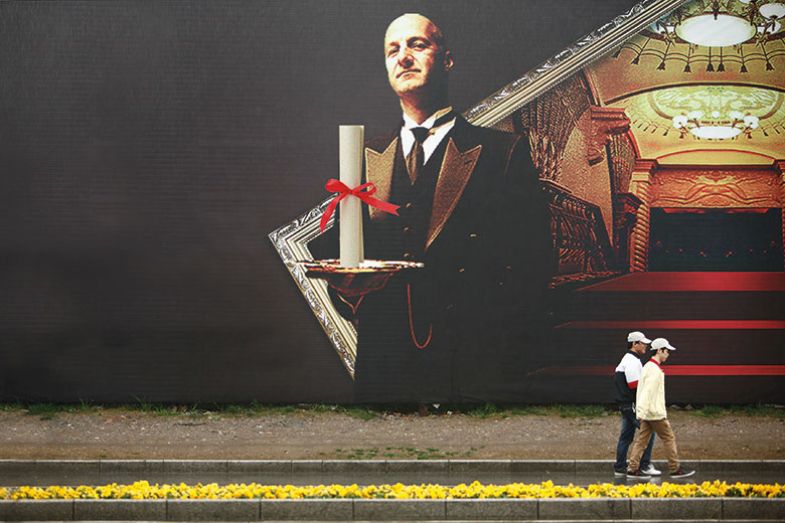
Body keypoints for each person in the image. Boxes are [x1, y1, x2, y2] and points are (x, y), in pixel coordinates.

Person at [315, 13, 551, 402]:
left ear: (447, 59)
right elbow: (348, 258)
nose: (403, 57)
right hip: (383, 364)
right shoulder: (362, 157)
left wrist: (498, 351)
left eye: (417, 45)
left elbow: (536, 263)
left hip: (472, 364)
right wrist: (350, 293)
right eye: (393, 50)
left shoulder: (502, 152)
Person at [627, 338, 696, 480]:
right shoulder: (654, 370)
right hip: (655, 413)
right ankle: (674, 468)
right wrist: (643, 410)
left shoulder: (647, 367)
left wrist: (641, 412)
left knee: (641, 441)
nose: (668, 354)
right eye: (667, 351)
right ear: (659, 350)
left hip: (647, 413)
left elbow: (643, 391)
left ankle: (632, 469)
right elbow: (648, 392)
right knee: (668, 438)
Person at [613, 331, 658, 477]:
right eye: (643, 343)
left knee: (626, 436)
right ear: (634, 344)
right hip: (632, 405)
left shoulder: (628, 360)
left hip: (626, 404)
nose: (646, 345)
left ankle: (620, 467)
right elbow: (634, 385)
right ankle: (643, 465)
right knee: (649, 431)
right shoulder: (632, 361)